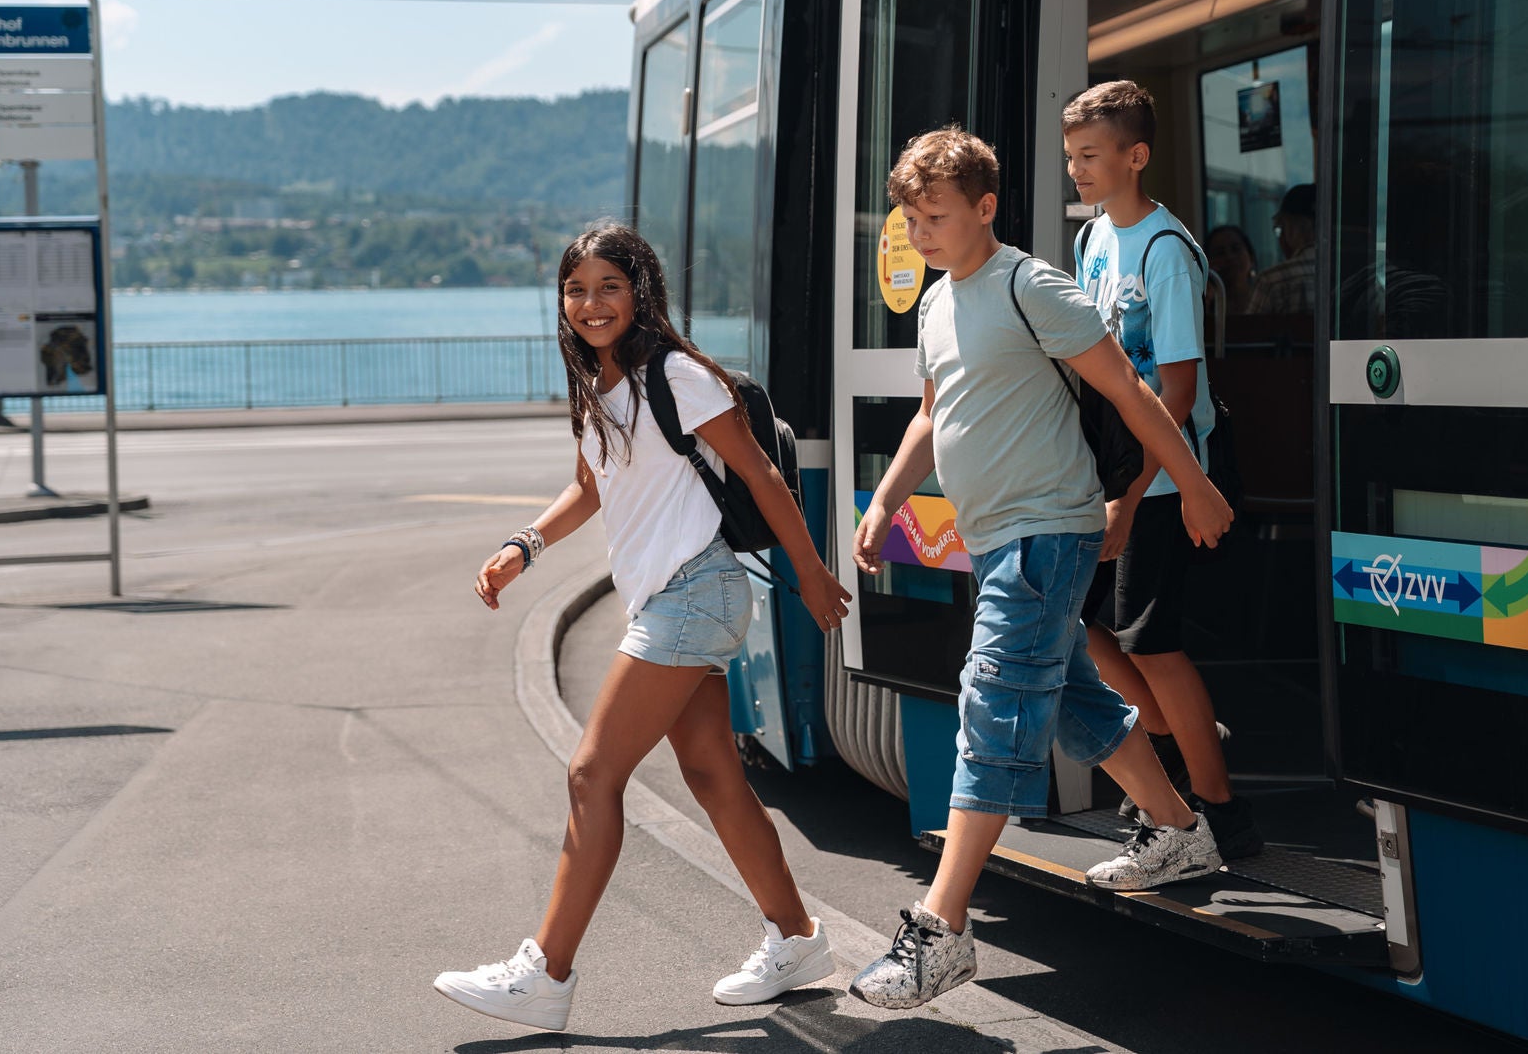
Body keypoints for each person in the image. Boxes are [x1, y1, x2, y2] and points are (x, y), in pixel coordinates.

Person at [848, 128, 1236, 1011]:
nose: (920, 232)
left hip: (1044, 533)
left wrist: (1194, 486)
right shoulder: (938, 302)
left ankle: (941, 927)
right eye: (910, 217)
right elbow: (931, 415)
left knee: (993, 700)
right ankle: (1178, 831)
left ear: (986, 208)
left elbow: (1128, 390)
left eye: (936, 215)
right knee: (1072, 695)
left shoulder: (1032, 285)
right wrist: (884, 503)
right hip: (995, 538)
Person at [432, 224, 853, 1033]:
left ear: (641, 292)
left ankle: (544, 972)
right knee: (712, 776)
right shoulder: (597, 383)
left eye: (608, 287)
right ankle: (797, 938)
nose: (591, 304)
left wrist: (809, 569)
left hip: (694, 591)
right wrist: (525, 543)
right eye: (577, 289)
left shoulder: (679, 375)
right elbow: (590, 486)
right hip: (668, 596)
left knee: (592, 773)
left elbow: (760, 472)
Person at [1060, 81, 1262, 859]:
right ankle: (1181, 732)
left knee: (1151, 640)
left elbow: (1176, 391)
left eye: (1089, 155)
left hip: (1168, 476)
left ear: (1134, 156)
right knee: (1085, 624)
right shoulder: (1090, 243)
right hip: (1117, 475)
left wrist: (1132, 493)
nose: (1076, 169)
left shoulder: (1166, 251)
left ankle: (1219, 811)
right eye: (1070, 155)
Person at [1246, 184, 1316, 316]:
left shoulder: (1271, 281)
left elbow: (1247, 334)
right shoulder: (1352, 275)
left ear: (1290, 227)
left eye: (1279, 229)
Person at [1203, 223, 1258, 322]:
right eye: (1220, 253)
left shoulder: (1266, 297)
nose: (1229, 257)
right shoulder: (1201, 304)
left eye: (1236, 249)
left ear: (1251, 257)